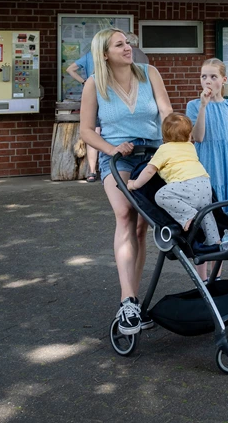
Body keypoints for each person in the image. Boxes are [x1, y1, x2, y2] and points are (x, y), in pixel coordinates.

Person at [78, 28, 173, 336]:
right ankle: (127, 300)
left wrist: (177, 139)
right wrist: (111, 149)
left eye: (127, 42)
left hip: (152, 153)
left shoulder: (149, 73)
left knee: (144, 225)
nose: (127, 47)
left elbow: (165, 111)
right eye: (119, 44)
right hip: (116, 156)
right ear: (104, 53)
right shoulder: (94, 84)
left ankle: (135, 296)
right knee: (124, 214)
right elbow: (87, 131)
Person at [186, 58, 228, 281]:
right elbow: (198, 136)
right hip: (205, 171)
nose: (207, 81)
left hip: (227, 172)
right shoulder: (194, 105)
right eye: (203, 76)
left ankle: (216, 277)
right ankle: (201, 278)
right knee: (203, 226)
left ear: (223, 80)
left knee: (222, 227)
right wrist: (203, 106)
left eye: (213, 76)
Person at [127, 113, 221, 249]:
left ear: (164, 136)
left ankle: (189, 216)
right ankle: (215, 241)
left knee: (161, 195)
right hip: (205, 185)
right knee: (206, 212)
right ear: (189, 135)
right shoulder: (190, 146)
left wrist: (134, 184)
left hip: (187, 186)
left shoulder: (163, 149)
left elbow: (149, 170)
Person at [67, 50, 102, 182]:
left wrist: (84, 82)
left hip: (92, 93)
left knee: (94, 132)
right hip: (109, 94)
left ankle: (92, 170)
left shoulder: (89, 55)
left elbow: (70, 69)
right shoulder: (109, 53)